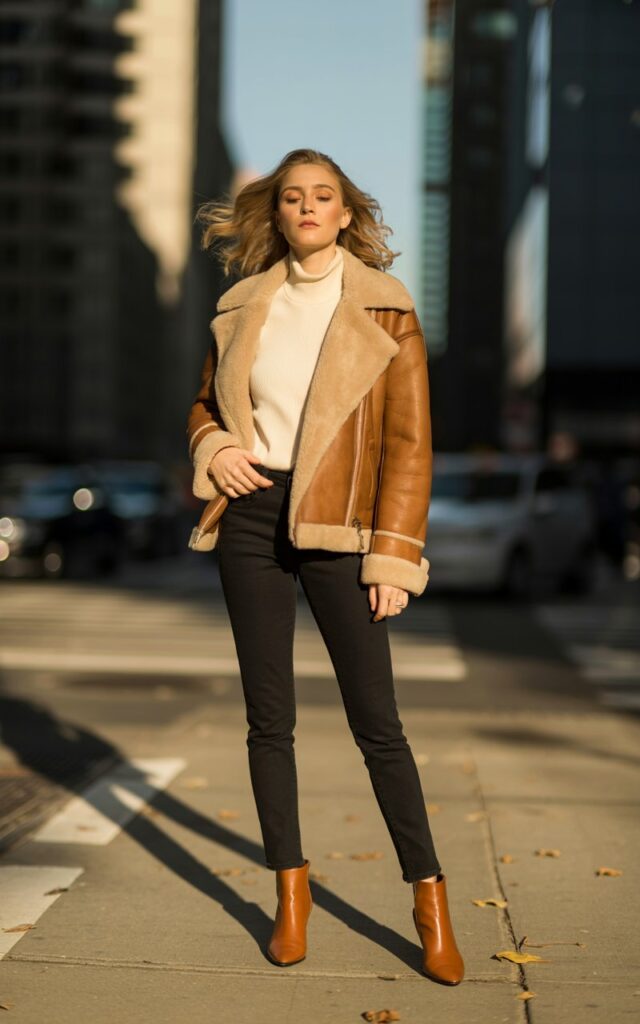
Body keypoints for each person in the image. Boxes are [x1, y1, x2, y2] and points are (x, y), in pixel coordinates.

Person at [186, 148, 464, 985]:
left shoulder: (386, 310)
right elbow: (205, 402)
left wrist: (394, 554)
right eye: (294, 198)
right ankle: (291, 899)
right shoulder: (241, 306)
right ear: (277, 216)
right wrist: (217, 445)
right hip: (251, 517)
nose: (308, 208)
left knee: (377, 725)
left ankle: (429, 901)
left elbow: (409, 445)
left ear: (346, 214)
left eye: (325, 197)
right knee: (268, 720)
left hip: (344, 527)